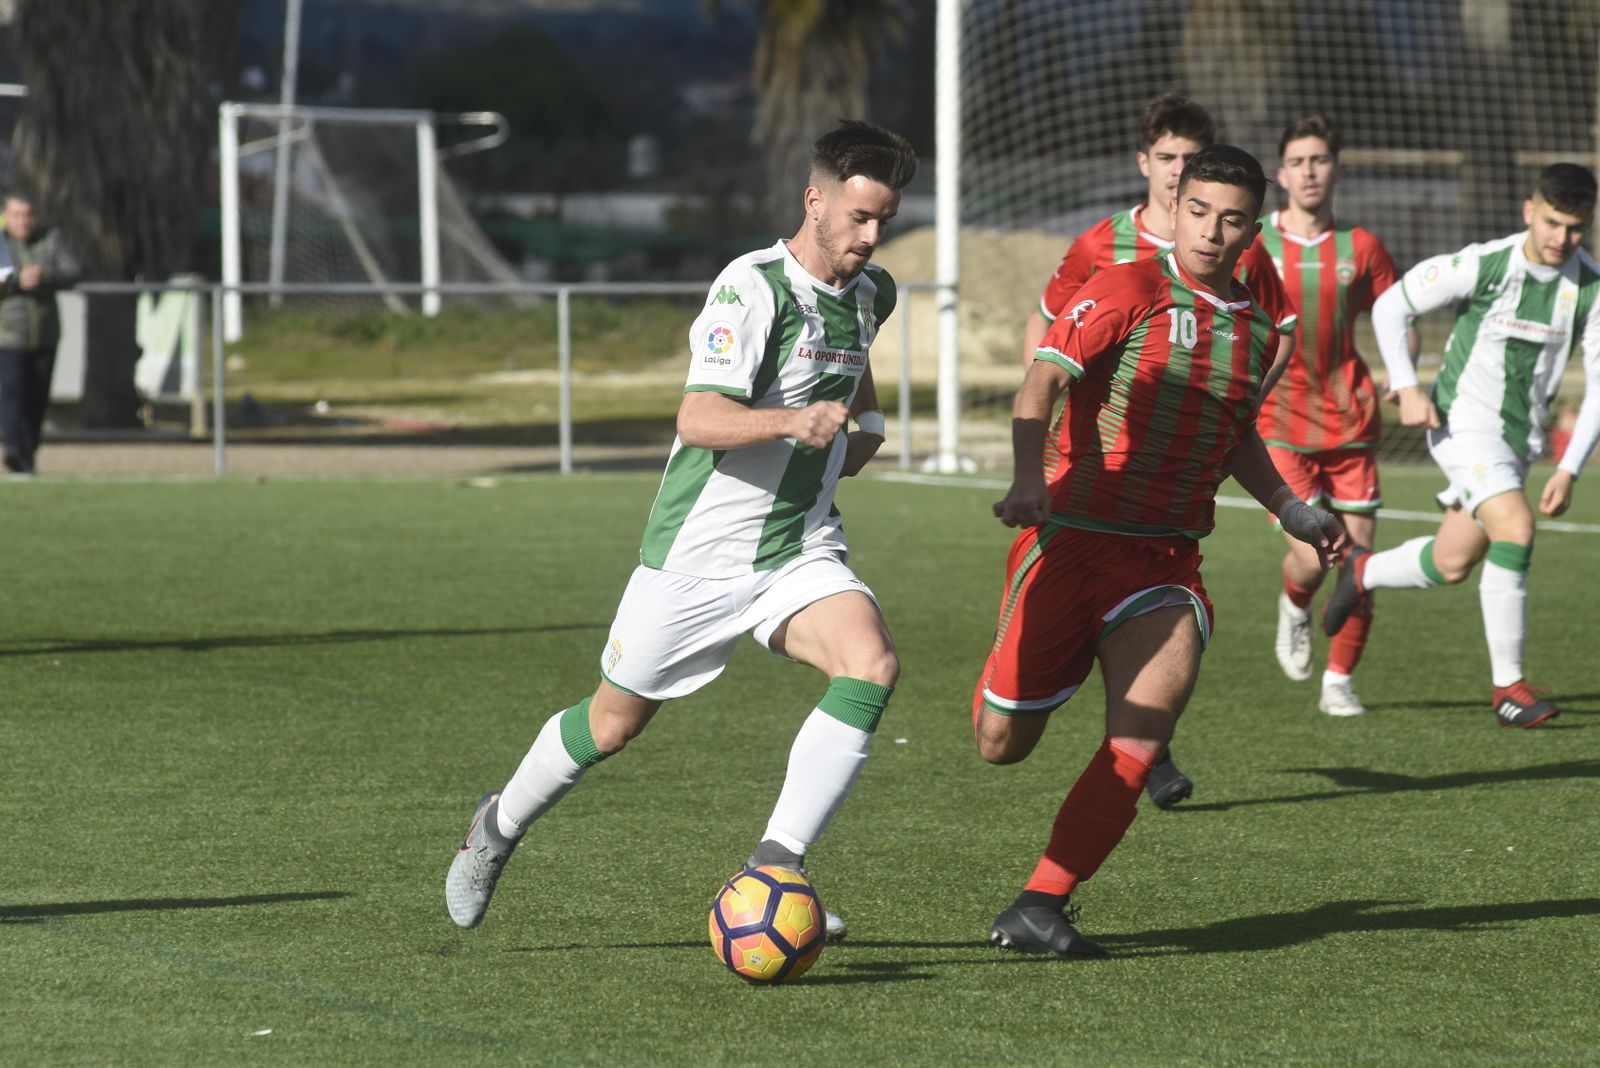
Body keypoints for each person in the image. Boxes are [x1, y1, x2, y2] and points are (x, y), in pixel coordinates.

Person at [444, 120, 917, 939]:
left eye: (885, 221)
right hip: (698, 557)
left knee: (870, 664)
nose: (871, 238)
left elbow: (853, 365)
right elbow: (697, 418)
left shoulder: (875, 292)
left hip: (798, 547)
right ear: (816, 200)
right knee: (610, 725)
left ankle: (776, 869)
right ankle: (497, 826)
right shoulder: (751, 287)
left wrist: (862, 424)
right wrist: (788, 423)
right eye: (859, 218)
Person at [978, 145, 1346, 957]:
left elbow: (1236, 431)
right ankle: (1045, 670)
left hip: (1166, 561)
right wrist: (1026, 481)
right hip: (1072, 541)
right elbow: (1041, 382)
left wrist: (1291, 506)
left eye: (1234, 219)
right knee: (1001, 743)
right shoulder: (1129, 287)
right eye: (1201, 212)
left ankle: (1041, 904)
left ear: (1255, 229)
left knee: (1143, 736)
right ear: (1175, 208)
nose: (1214, 232)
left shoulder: (1253, 324)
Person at [1018, 90, 1300, 808]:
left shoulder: (1243, 275)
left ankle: (1141, 746)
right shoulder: (1106, 255)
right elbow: (1048, 341)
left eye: (1188, 159)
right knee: (1004, 740)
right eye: (1168, 161)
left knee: (1143, 708)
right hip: (1080, 504)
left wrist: (1280, 491)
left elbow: (1262, 341)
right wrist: (1042, 445)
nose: (1178, 175)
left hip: (1169, 529)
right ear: (1149, 167)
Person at [1324, 163, 1600, 728]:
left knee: (1452, 563)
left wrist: (1570, 467)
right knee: (1517, 529)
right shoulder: (1485, 264)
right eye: (1551, 222)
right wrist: (1406, 384)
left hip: (1518, 442)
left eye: (1574, 228)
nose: (1560, 239)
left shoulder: (1591, 288)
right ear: (1529, 210)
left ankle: (1362, 570)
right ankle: (1508, 688)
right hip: (1462, 425)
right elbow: (1389, 305)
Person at [1255, 116, 1400, 717]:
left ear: (1336, 168)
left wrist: (1403, 369)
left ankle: (1339, 679)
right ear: (1282, 173)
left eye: (1320, 160)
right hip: (1280, 421)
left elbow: (1397, 315)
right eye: (1298, 161)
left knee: (1359, 564)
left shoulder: (1361, 247)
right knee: (1315, 554)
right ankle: (1294, 605)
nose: (1310, 171)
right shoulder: (1255, 240)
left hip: (1350, 422)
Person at [0, 192, 82, 475]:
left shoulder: (50, 239)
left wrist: (44, 274)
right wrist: (18, 280)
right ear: (6, 216)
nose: (23, 220)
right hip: (8, 335)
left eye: (28, 214)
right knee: (12, 395)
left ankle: (27, 456)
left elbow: (73, 269)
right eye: (16, 214)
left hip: (46, 335)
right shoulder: (1, 242)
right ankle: (12, 449)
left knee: (37, 398)